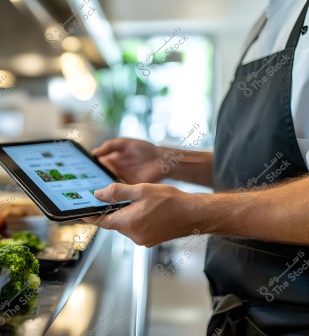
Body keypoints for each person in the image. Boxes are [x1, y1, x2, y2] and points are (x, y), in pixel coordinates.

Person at [89, 1, 309, 335]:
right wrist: (167, 162)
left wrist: (195, 213)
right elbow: (262, 167)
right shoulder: (268, 21)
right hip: (241, 313)